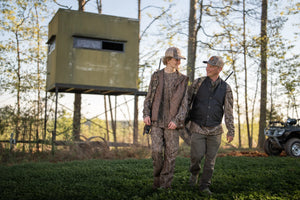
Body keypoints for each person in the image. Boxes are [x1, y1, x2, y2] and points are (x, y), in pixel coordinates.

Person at [187, 56, 235, 195]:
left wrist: (230, 130)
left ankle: (204, 186)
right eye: (207, 65)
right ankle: (194, 173)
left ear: (219, 69)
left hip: (215, 130)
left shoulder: (226, 88)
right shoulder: (198, 83)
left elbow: (229, 111)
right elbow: (186, 101)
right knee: (196, 157)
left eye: (211, 66)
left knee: (210, 161)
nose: (207, 68)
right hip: (197, 127)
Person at [143, 47, 189, 189]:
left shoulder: (183, 80)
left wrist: (177, 120)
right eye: (176, 60)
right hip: (156, 122)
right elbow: (149, 97)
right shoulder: (156, 76)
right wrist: (146, 114)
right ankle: (157, 181)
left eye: (180, 60)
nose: (179, 62)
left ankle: (165, 185)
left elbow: (184, 104)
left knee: (171, 155)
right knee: (156, 152)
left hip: (172, 124)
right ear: (168, 60)